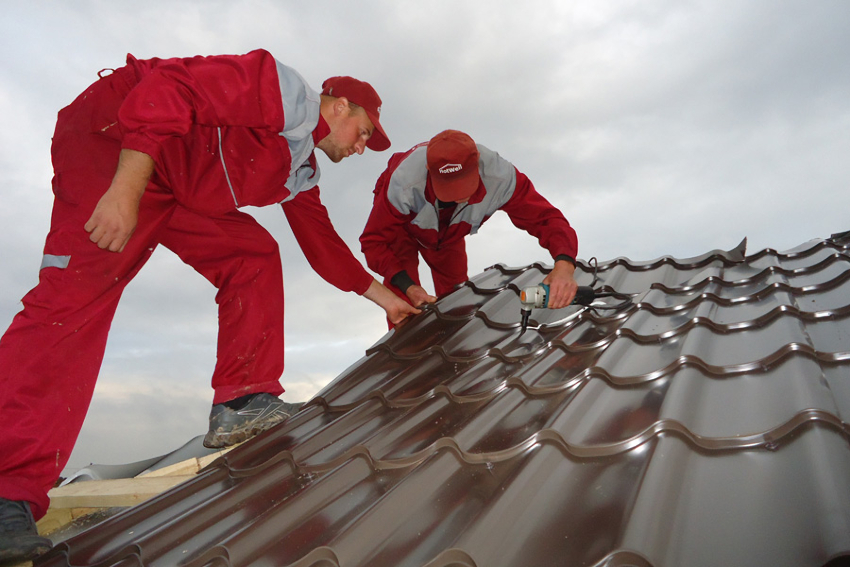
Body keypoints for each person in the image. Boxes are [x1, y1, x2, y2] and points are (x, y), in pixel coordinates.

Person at [0, 49, 419, 562]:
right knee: (73, 304)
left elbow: (322, 246)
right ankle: (6, 489)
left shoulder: (299, 169)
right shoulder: (282, 92)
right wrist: (124, 189)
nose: (362, 147)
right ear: (341, 107)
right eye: (364, 132)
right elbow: (168, 88)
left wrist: (387, 299)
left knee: (253, 254)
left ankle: (242, 402)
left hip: (174, 185)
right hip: (117, 141)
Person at [360, 129, 580, 318]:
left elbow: (545, 218)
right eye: (448, 188)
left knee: (457, 299)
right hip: (401, 227)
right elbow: (373, 242)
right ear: (429, 171)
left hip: (450, 235)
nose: (458, 197)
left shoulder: (501, 177)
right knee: (403, 304)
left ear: (478, 164)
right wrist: (408, 287)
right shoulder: (403, 184)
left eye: (464, 185)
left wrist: (564, 264)